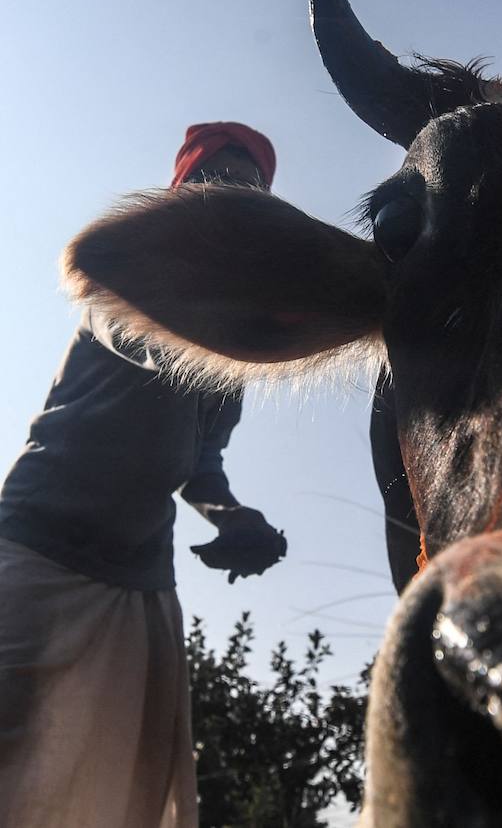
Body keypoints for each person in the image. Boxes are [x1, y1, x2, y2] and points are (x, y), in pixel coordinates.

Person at [0, 122, 289, 828]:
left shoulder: (234, 341)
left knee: (118, 795)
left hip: (139, 583)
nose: (233, 196)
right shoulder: (122, 273)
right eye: (219, 179)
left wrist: (232, 516)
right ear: (181, 194)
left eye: (249, 189)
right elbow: (143, 343)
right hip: (36, 547)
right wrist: (255, 334)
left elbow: (201, 464)